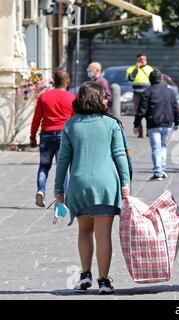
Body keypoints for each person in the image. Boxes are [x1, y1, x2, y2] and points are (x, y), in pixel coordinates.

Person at [54, 82, 131, 295]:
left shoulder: (71, 125)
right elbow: (120, 154)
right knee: (103, 234)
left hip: (79, 185)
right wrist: (126, 182)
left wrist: (58, 187)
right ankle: (104, 281)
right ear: (98, 99)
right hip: (106, 184)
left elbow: (63, 159)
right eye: (104, 96)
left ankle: (85, 274)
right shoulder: (111, 123)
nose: (107, 99)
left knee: (84, 230)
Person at [30, 68, 75, 208]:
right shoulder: (72, 98)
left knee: (44, 166)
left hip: (46, 135)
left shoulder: (44, 97)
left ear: (54, 82)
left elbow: (36, 118)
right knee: (63, 166)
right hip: (64, 135)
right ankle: (63, 196)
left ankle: (41, 191)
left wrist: (32, 136)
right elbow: (74, 119)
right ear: (67, 82)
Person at [134, 69, 179, 181]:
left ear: (150, 80)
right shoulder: (170, 92)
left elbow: (141, 110)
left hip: (153, 123)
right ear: (161, 79)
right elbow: (176, 108)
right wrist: (177, 122)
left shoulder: (147, 92)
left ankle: (158, 171)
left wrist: (137, 124)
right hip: (167, 123)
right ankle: (162, 169)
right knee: (163, 146)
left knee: (156, 147)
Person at [126, 53, 154, 138]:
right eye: (140, 59)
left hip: (148, 94)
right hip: (137, 94)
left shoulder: (149, 68)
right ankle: (140, 131)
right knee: (138, 113)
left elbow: (153, 80)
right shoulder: (131, 69)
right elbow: (131, 78)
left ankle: (149, 131)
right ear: (137, 60)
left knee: (149, 112)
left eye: (144, 59)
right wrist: (137, 69)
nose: (142, 61)